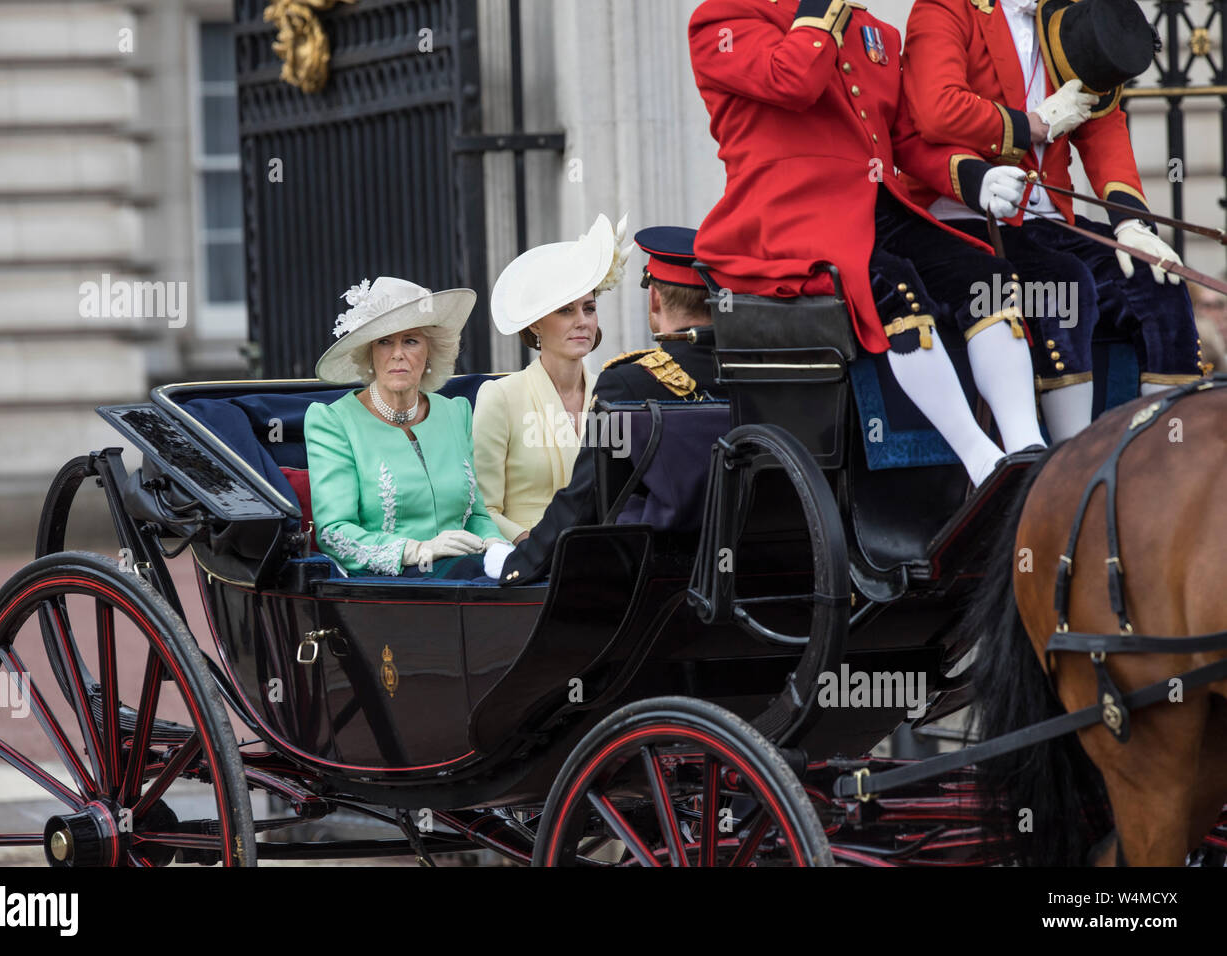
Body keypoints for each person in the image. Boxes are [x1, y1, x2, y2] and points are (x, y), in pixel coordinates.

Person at [688, 0, 1045, 487]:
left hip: (876, 209)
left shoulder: (874, 30)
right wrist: (820, 11)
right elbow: (793, 80)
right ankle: (981, 460)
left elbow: (906, 139)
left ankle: (1028, 451)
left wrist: (972, 177)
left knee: (986, 278)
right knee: (895, 289)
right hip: (787, 218)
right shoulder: (723, 19)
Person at [901, 0, 1206, 441]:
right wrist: (1034, 124)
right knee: (1065, 285)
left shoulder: (1068, 11)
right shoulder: (946, 9)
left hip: (1049, 221)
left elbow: (1101, 124)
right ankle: (1068, 464)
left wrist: (1130, 222)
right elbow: (936, 109)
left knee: (1162, 284)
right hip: (970, 215)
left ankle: (1166, 454)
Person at [495, 226, 720, 585]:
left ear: (655, 300)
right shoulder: (763, 375)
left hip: (657, 578)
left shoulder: (626, 383)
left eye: (588, 308)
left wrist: (519, 567)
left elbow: (589, 494)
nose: (581, 320)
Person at [305, 276, 511, 578]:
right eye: (384, 341)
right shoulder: (333, 422)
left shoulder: (456, 413)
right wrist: (417, 550)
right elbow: (334, 533)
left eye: (410, 341)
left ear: (430, 351)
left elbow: (476, 514)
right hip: (392, 586)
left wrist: (494, 544)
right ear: (369, 353)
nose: (397, 353)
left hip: (468, 576)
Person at [472, 214, 629, 544]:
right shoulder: (500, 396)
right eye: (565, 310)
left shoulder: (614, 392)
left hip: (604, 559)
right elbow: (481, 509)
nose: (582, 321)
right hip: (527, 566)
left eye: (589, 308)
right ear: (535, 325)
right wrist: (531, 546)